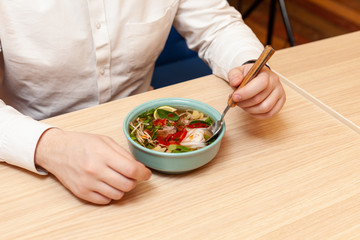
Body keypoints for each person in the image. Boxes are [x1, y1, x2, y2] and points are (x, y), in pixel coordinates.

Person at [0, 0, 286, 204]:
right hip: (30, 149)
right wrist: (48, 147)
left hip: (148, 148)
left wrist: (248, 65)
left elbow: (217, 24)